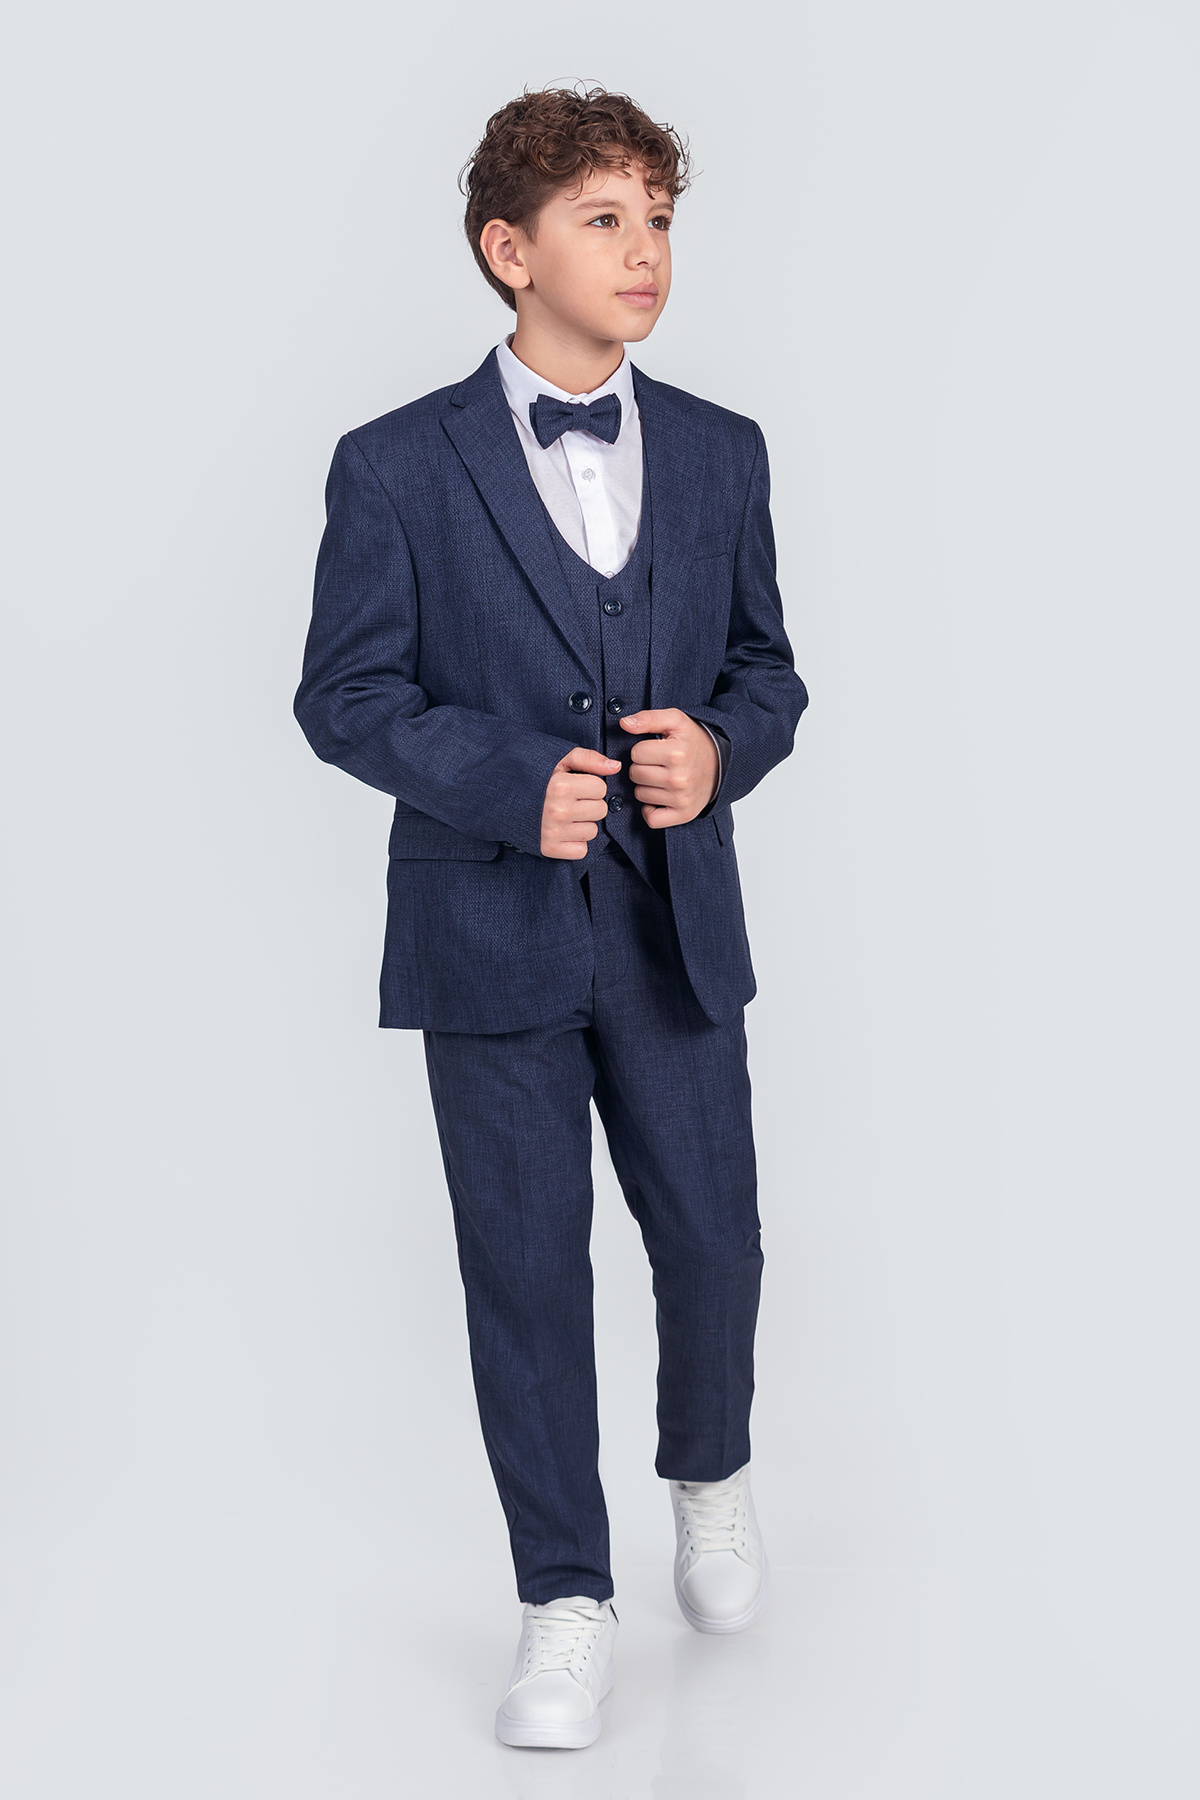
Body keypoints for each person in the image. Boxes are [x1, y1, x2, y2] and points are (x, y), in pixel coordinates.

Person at [294, 84, 807, 1750]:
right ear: (509, 251)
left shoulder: (723, 452)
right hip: (486, 937)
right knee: (523, 1271)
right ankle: (564, 1599)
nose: (645, 250)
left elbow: (767, 672)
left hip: (675, 932)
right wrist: (513, 781)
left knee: (714, 1239)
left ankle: (709, 1473)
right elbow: (345, 695)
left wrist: (718, 751)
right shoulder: (394, 465)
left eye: (659, 218)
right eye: (605, 220)